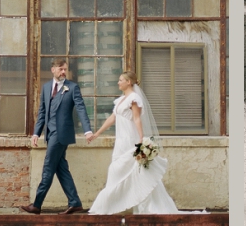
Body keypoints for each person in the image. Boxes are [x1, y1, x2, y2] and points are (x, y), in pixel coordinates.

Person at [86, 71, 180, 215]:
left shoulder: (134, 98)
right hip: (120, 141)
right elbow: (112, 118)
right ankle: (109, 206)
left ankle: (144, 207)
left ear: (129, 82)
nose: (118, 82)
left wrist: (141, 139)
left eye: (120, 80)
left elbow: (137, 118)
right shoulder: (120, 100)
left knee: (137, 172)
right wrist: (97, 134)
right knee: (116, 170)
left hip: (130, 139)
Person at [19, 58, 93, 214]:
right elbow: (42, 113)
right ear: (53, 70)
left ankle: (37, 204)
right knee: (61, 168)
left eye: (65, 69)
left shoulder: (72, 88)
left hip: (61, 134)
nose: (63, 72)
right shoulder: (46, 88)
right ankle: (75, 202)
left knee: (48, 167)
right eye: (60, 69)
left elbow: (81, 109)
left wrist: (87, 130)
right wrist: (36, 133)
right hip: (49, 133)